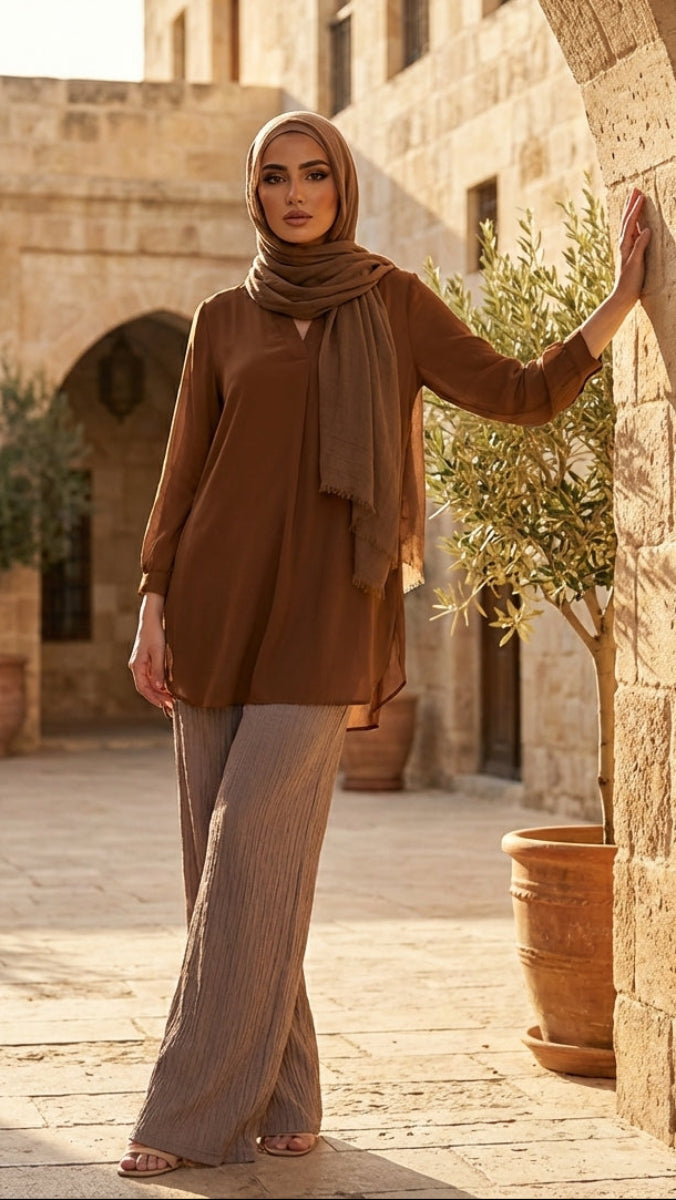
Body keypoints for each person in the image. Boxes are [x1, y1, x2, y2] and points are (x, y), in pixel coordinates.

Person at [118, 109, 650, 1179]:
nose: (297, 192)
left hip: (321, 626)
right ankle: (286, 1094)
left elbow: (514, 392)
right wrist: (151, 608)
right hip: (214, 617)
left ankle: (187, 1118)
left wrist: (615, 309)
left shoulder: (391, 303)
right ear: (254, 194)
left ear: (342, 186)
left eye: (315, 173)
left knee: (248, 859)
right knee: (225, 880)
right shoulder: (221, 318)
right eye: (275, 177)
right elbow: (180, 481)